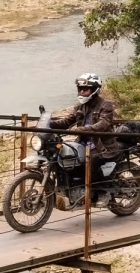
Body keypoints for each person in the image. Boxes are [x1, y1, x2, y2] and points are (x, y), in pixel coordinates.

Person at [50, 73, 121, 205]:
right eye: (80, 89)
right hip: (83, 145)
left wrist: (82, 129)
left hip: (102, 148)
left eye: (86, 89)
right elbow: (66, 122)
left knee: (92, 164)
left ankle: (101, 192)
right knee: (67, 161)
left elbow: (103, 124)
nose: (82, 92)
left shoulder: (105, 105)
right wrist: (49, 123)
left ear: (94, 90)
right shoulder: (79, 107)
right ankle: (73, 191)